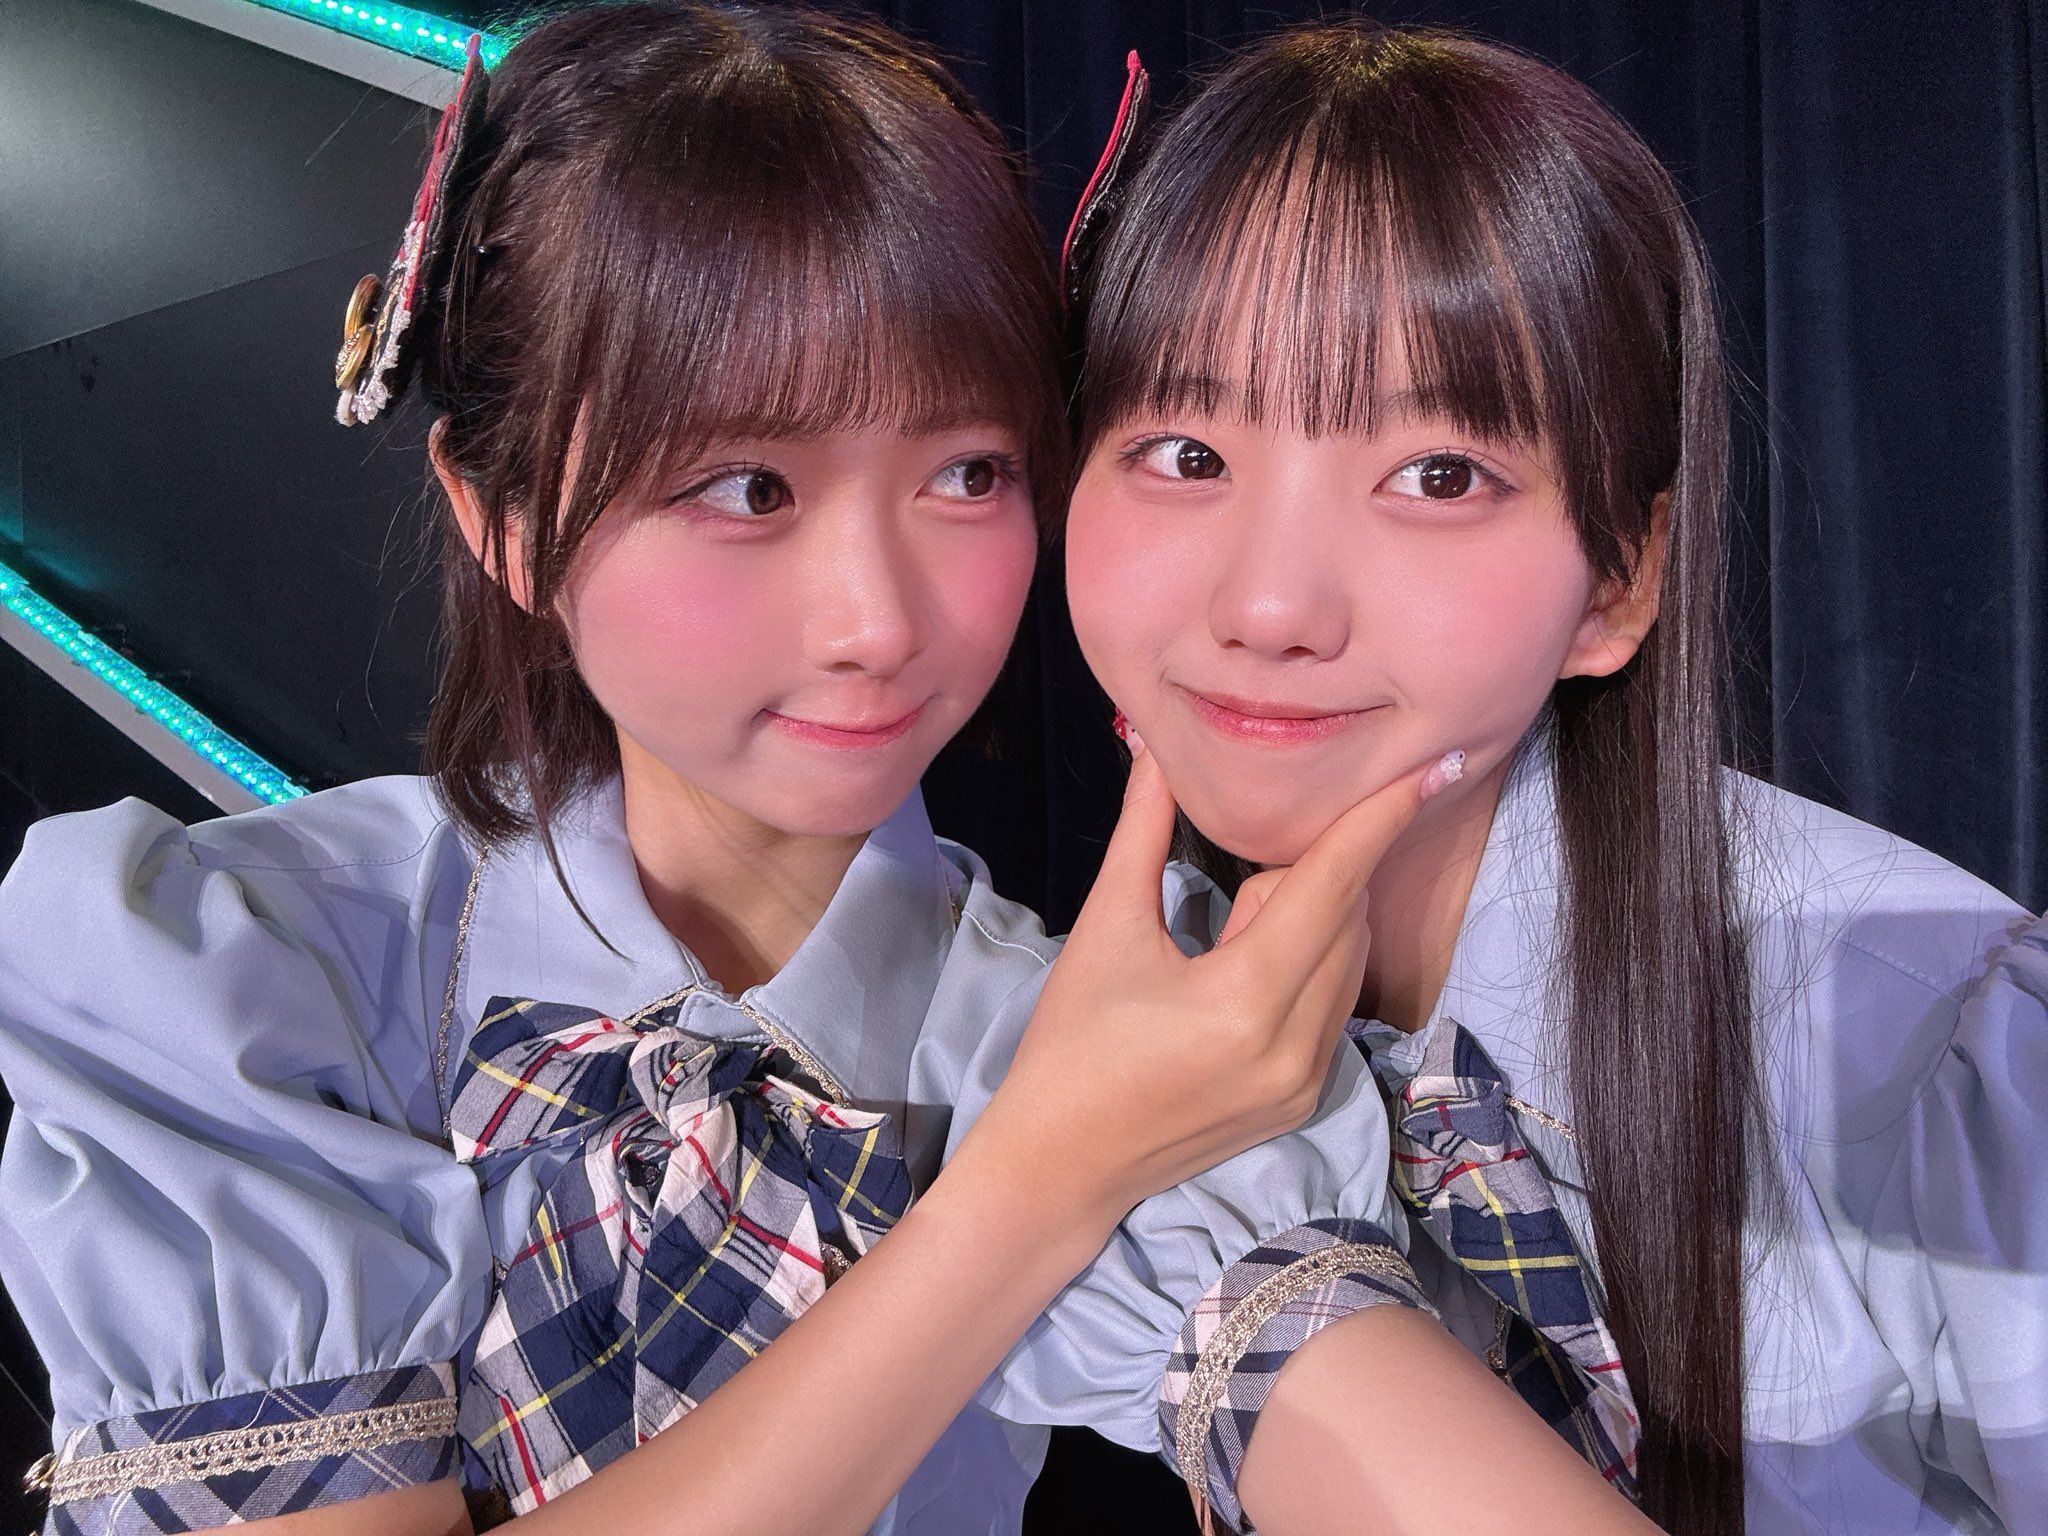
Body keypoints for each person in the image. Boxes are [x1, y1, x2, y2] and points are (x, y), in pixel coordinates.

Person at [0, 9, 1654, 1536]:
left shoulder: (1115, 1035)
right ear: (497, 517)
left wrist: (1084, 1125)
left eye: (970, 471)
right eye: (747, 489)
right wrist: (1031, 1189)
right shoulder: (245, 974)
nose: (878, 623)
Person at [1059, 20, 2045, 1536]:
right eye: (1186, 454)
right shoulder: (1095, 1034)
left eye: (1437, 476)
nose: (1268, 608)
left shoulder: (1927, 1041)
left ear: (1620, 582)